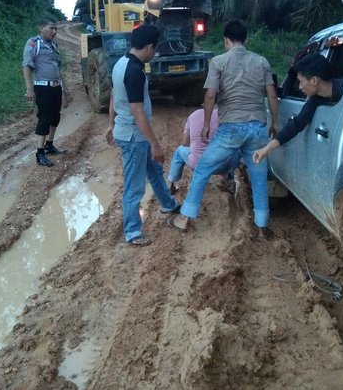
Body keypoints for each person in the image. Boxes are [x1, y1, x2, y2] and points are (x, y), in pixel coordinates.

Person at [165, 19, 279, 239]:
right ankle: (262, 227)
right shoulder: (261, 61)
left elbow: (210, 94)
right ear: (246, 40)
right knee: (258, 177)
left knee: (203, 169)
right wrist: (275, 122)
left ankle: (184, 218)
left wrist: (207, 124)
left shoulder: (218, 62)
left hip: (231, 129)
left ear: (226, 40)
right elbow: (272, 94)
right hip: (257, 128)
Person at [105, 23, 180, 247]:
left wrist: (111, 124)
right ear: (149, 47)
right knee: (134, 186)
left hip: (128, 131)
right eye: (155, 50)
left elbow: (113, 96)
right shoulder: (135, 71)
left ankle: (168, 203)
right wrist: (155, 144)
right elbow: (137, 112)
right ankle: (133, 231)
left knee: (154, 170)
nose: (154, 54)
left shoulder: (121, 62)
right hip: (133, 136)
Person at [252, 53, 343, 163]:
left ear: (314, 81)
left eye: (301, 81)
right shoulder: (316, 100)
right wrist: (266, 149)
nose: (300, 87)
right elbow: (296, 125)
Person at [22, 18, 68, 167]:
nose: (54, 32)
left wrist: (65, 88)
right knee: (45, 118)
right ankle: (39, 153)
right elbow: (27, 66)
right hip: (43, 87)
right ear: (41, 28)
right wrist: (29, 88)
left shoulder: (54, 45)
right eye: (51, 28)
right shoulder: (34, 43)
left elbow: (58, 67)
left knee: (56, 117)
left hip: (56, 87)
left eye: (56, 29)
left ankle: (49, 144)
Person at [166, 106, 240, 195]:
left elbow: (185, 143)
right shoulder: (228, 117)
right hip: (223, 166)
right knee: (232, 151)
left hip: (198, 164)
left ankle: (171, 186)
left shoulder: (194, 115)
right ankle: (229, 184)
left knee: (180, 150)